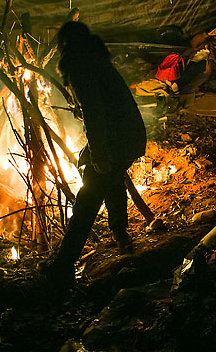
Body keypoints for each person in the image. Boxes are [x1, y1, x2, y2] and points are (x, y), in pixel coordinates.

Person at [47, 21, 147, 285]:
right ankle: (122, 237)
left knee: (88, 198)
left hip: (119, 139)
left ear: (67, 45)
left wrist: (99, 153)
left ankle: (63, 266)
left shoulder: (79, 65)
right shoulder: (95, 59)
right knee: (111, 179)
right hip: (128, 135)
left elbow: (95, 114)